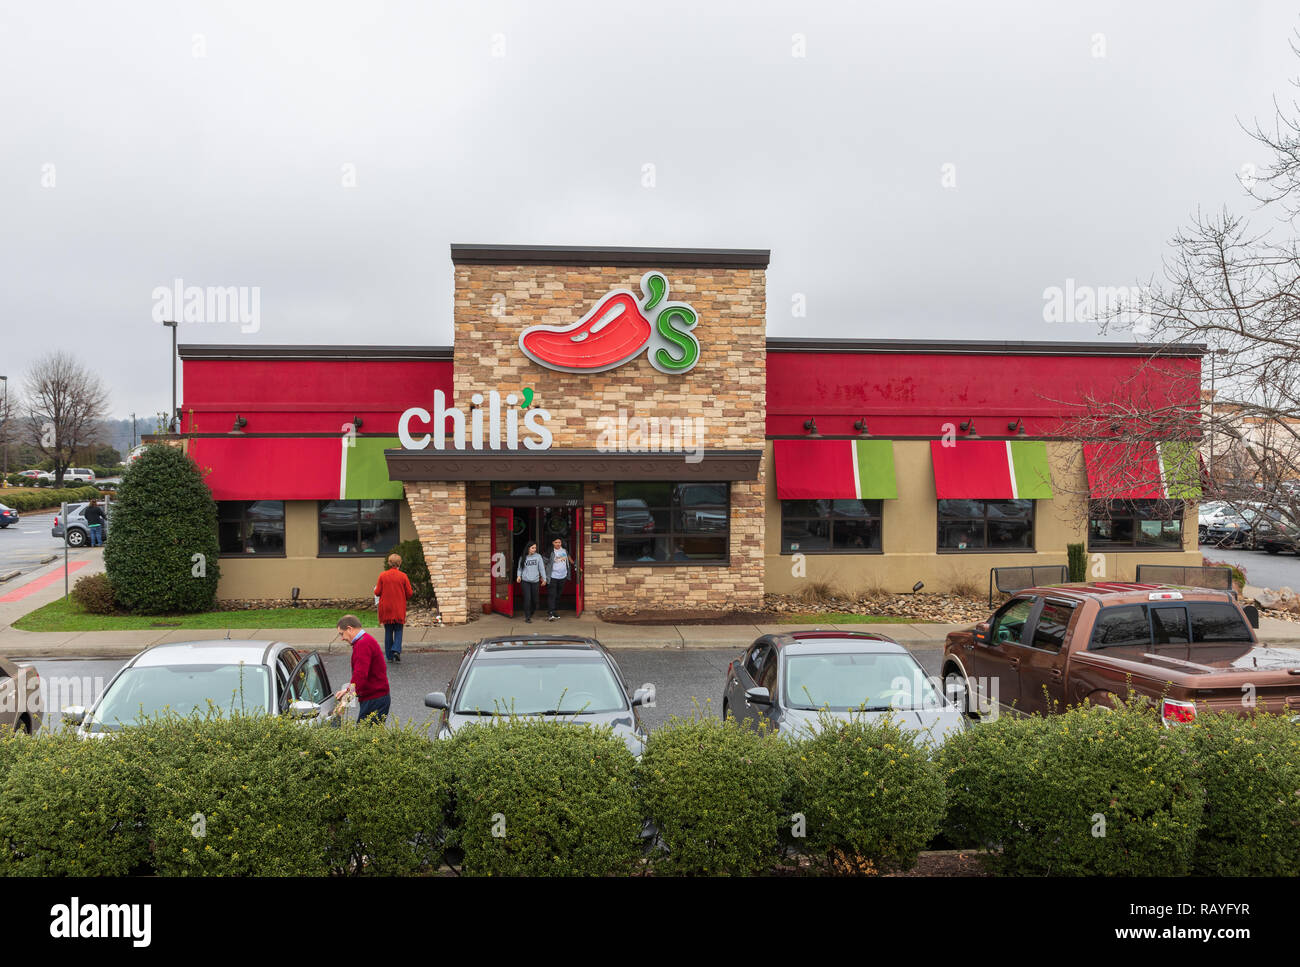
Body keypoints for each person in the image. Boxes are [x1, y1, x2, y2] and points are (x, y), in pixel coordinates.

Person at [334, 615, 390, 723]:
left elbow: (360, 676)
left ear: (350, 629)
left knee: (364, 737)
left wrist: (344, 702)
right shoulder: (365, 640)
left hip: (374, 700)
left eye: (342, 633)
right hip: (377, 697)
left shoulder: (362, 644)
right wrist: (346, 691)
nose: (342, 638)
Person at [373, 553, 414, 663]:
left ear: (389, 563)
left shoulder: (382, 575)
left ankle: (389, 656)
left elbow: (377, 592)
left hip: (386, 607)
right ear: (399, 563)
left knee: (388, 631)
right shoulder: (403, 576)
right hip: (398, 607)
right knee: (399, 629)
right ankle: (396, 649)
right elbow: (409, 593)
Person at [515, 540, 546, 623]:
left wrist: (544, 578)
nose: (534, 549)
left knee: (535, 600)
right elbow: (519, 568)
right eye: (532, 548)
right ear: (528, 548)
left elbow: (541, 568)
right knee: (527, 599)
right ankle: (527, 616)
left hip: (535, 581)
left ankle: (531, 611)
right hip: (525, 581)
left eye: (535, 548)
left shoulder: (538, 557)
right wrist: (518, 576)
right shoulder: (523, 557)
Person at [544, 536, 572, 621]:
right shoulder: (550, 552)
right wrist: (543, 575)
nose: (558, 544)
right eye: (556, 542)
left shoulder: (564, 551)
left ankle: (554, 611)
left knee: (558, 595)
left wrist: (574, 564)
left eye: (559, 542)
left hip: (562, 576)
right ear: (553, 543)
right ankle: (551, 612)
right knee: (552, 594)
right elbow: (543, 562)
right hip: (552, 576)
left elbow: (569, 558)